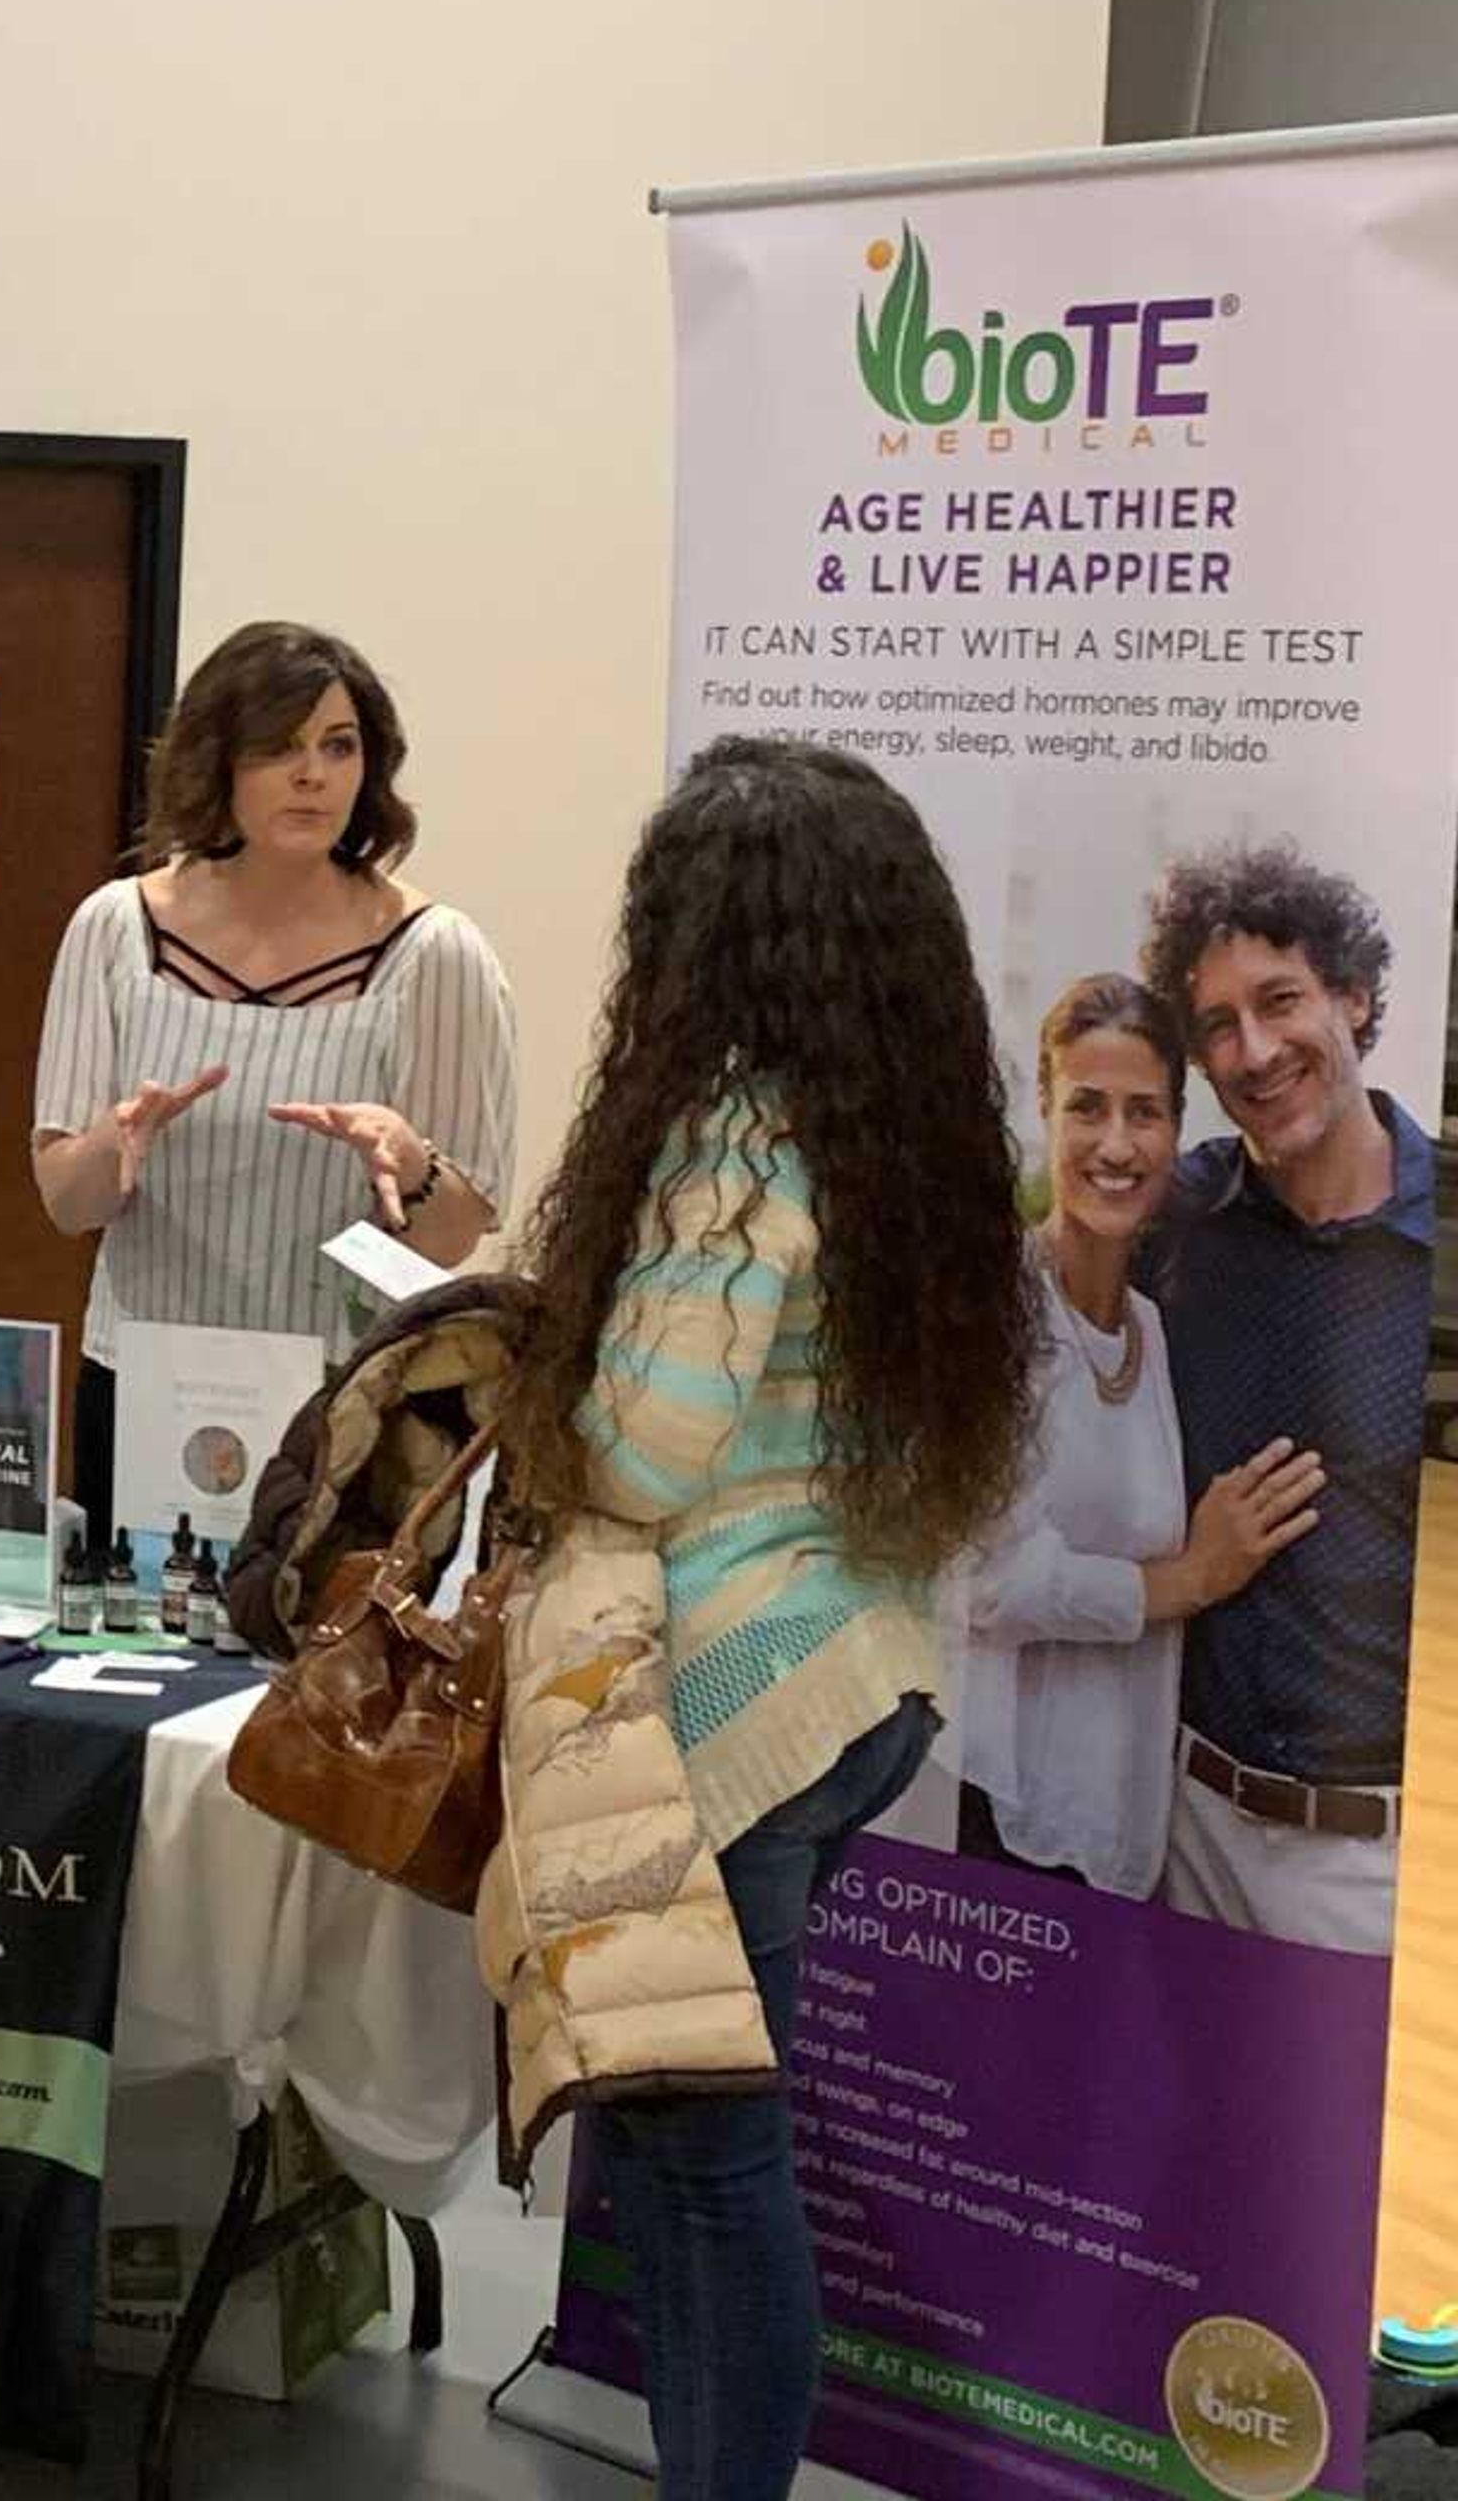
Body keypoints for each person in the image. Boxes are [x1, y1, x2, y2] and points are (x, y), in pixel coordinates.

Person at [487, 738, 1039, 2501]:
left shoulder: (733, 1127)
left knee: (711, 2177)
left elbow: (647, 1451)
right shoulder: (908, 1126)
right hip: (857, 1676)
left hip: (728, 1711)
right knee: (691, 2161)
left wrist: (518, 1385)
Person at [31, 620, 517, 1547]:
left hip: (345, 1399)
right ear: (219, 762)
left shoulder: (434, 954)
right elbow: (65, 1202)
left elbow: (452, 1239)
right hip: (144, 1381)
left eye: (339, 747)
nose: (314, 775)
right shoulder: (115, 930)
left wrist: (412, 1164)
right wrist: (115, 1144)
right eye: (281, 748)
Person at [948, 975, 1324, 1898]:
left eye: (1144, 1113)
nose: (1116, 1145)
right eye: (1088, 1108)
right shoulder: (991, 1312)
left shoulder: (1152, 1332)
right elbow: (992, 1580)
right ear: (1044, 1108)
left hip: (1119, 1827)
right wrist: (1191, 1579)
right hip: (1003, 1828)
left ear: (1175, 1130)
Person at [1138, 844, 1432, 1954]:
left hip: (1371, 1868)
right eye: (1217, 1025)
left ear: (1352, 1000)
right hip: (1183, 1828)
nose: (1253, 1052)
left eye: (1280, 1002)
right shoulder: (1182, 1220)